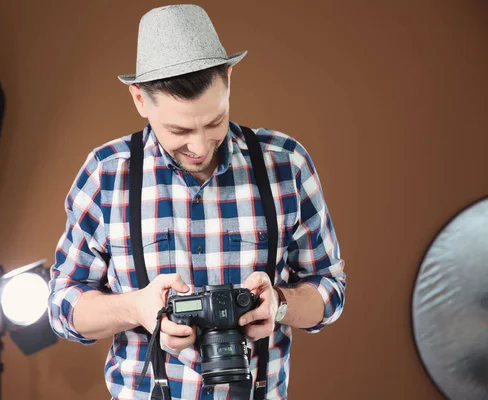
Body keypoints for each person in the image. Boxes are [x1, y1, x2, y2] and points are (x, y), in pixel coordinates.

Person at [48, 4, 346, 400]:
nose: (200, 146)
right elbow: (62, 306)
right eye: (179, 129)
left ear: (228, 78)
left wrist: (278, 304)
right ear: (140, 100)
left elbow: (329, 288)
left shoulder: (284, 164)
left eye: (214, 122)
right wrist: (137, 308)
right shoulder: (107, 173)